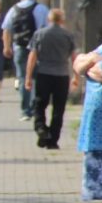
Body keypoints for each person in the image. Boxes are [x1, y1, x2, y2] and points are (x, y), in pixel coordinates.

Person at [74, 2, 102, 200]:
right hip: (96, 121)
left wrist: (89, 64)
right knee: (94, 156)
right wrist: (92, 61)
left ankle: (101, 195)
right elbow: (77, 63)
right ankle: (93, 194)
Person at [25, 8, 77, 149]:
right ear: (62, 20)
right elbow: (74, 58)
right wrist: (76, 77)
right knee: (59, 109)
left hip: (44, 74)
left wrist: (28, 77)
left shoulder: (40, 34)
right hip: (62, 75)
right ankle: (53, 140)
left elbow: (32, 56)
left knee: (40, 105)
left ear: (49, 19)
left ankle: (41, 128)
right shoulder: (68, 35)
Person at [2, 0, 50, 121]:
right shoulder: (42, 9)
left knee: (23, 78)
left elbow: (6, 29)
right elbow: (47, 28)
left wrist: (7, 47)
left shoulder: (14, 9)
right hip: (38, 48)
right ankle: (36, 108)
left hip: (20, 47)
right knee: (37, 78)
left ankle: (25, 111)